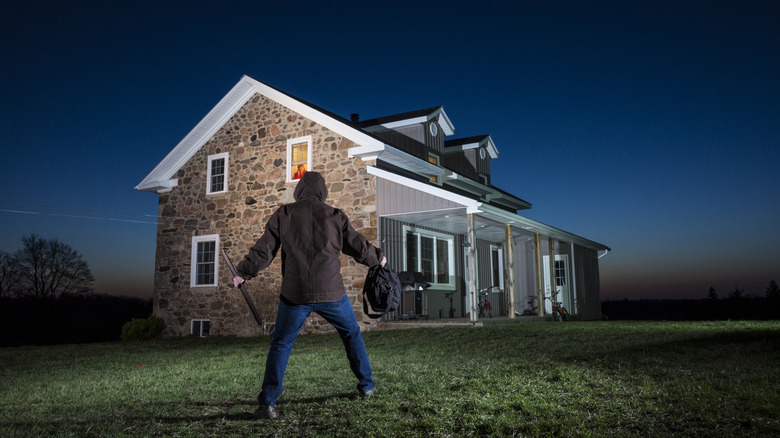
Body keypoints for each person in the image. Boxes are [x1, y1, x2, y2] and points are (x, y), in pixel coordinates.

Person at [233, 171, 386, 420]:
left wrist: (243, 272)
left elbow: (264, 250)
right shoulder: (335, 216)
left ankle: (268, 404)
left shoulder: (285, 214)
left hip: (295, 294)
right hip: (332, 292)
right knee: (351, 334)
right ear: (322, 192)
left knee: (281, 344)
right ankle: (367, 386)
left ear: (299, 191)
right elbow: (357, 245)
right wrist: (378, 258)